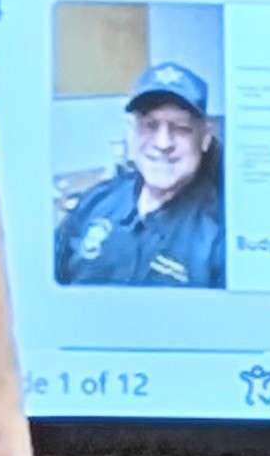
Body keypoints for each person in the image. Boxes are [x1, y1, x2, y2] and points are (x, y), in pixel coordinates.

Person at [52, 59, 226, 289]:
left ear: (205, 137)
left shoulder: (219, 238)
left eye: (181, 128)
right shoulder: (96, 201)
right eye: (150, 125)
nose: (163, 143)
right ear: (131, 131)